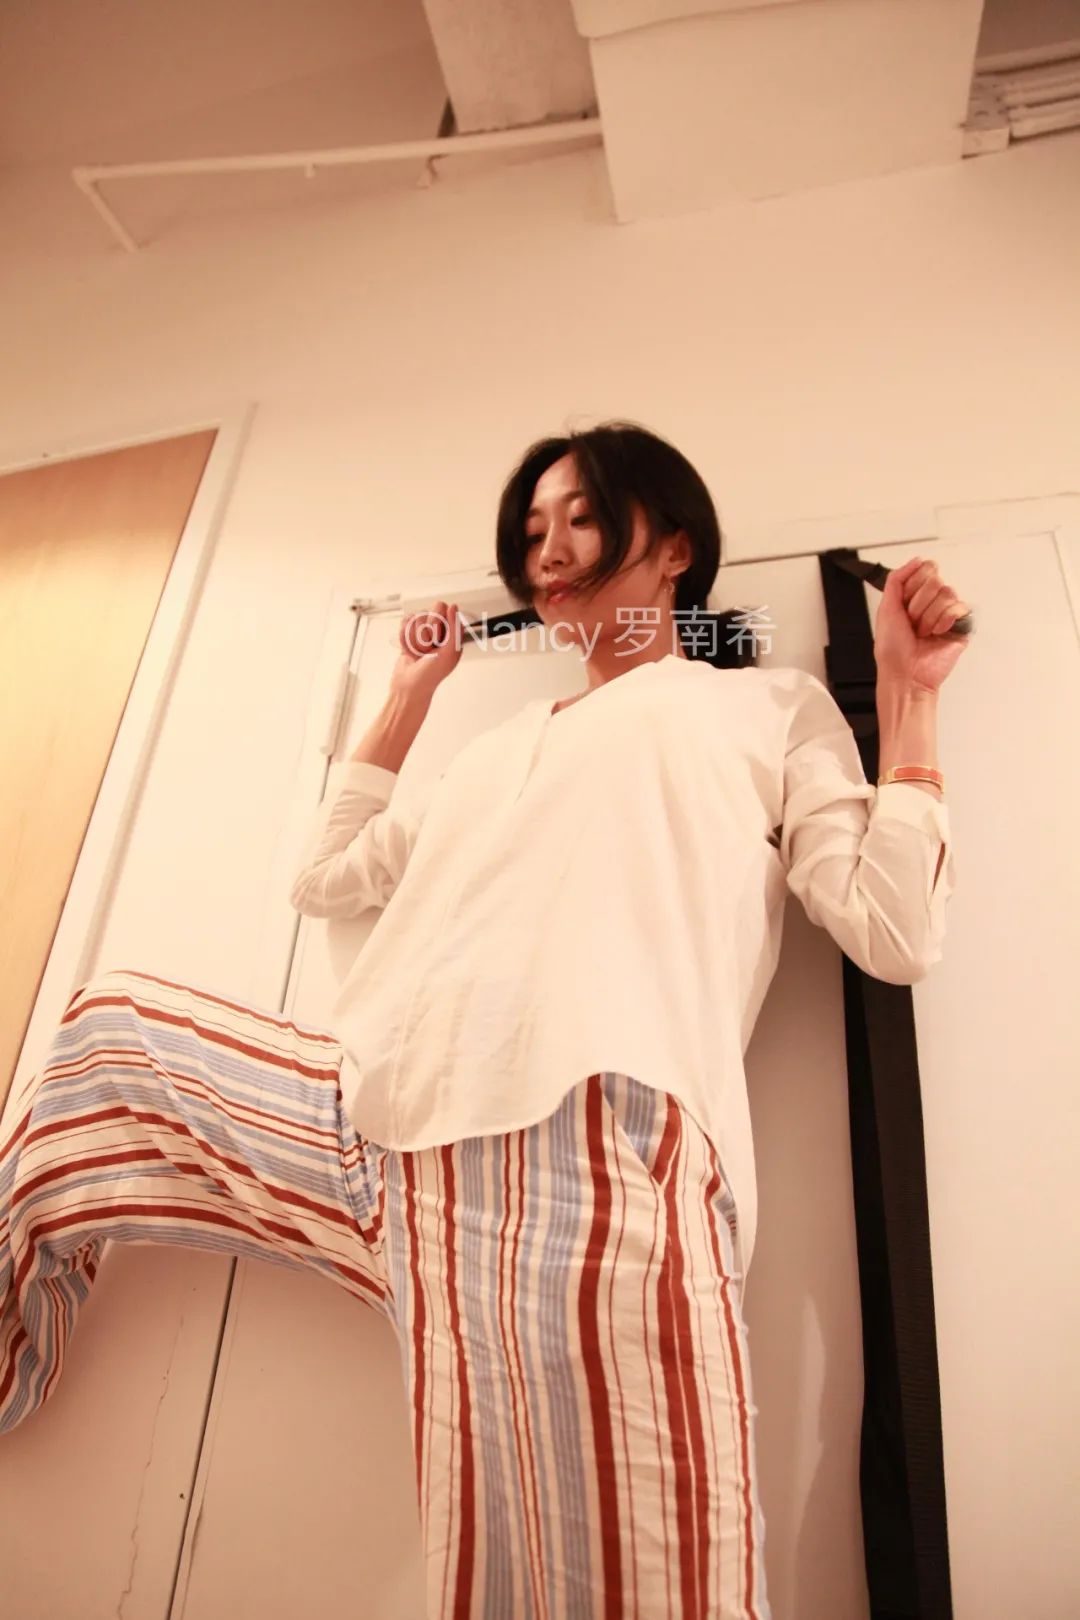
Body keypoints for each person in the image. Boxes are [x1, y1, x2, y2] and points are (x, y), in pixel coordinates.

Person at [0, 421, 968, 1618]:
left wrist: (909, 700)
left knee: (604, 1587)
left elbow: (893, 928)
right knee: (108, 1034)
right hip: (373, 1127)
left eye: (581, 517)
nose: (548, 551)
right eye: (531, 531)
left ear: (674, 546)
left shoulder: (764, 707)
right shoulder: (494, 752)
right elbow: (327, 875)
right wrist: (409, 699)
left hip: (591, 1158)